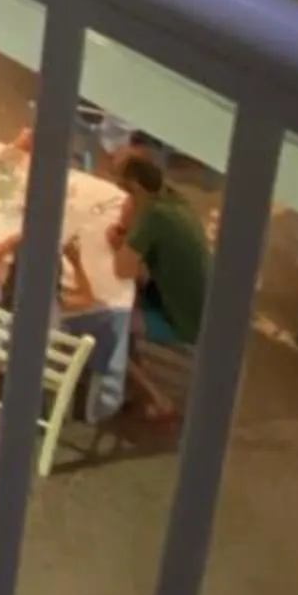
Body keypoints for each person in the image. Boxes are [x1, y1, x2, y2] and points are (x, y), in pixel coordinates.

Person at [107, 150, 210, 424]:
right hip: (201, 307)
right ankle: (127, 376)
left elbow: (123, 269)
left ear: (135, 186)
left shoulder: (154, 216)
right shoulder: (172, 198)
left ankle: (157, 397)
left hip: (184, 321)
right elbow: (127, 225)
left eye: (124, 187)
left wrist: (118, 243)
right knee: (124, 301)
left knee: (108, 324)